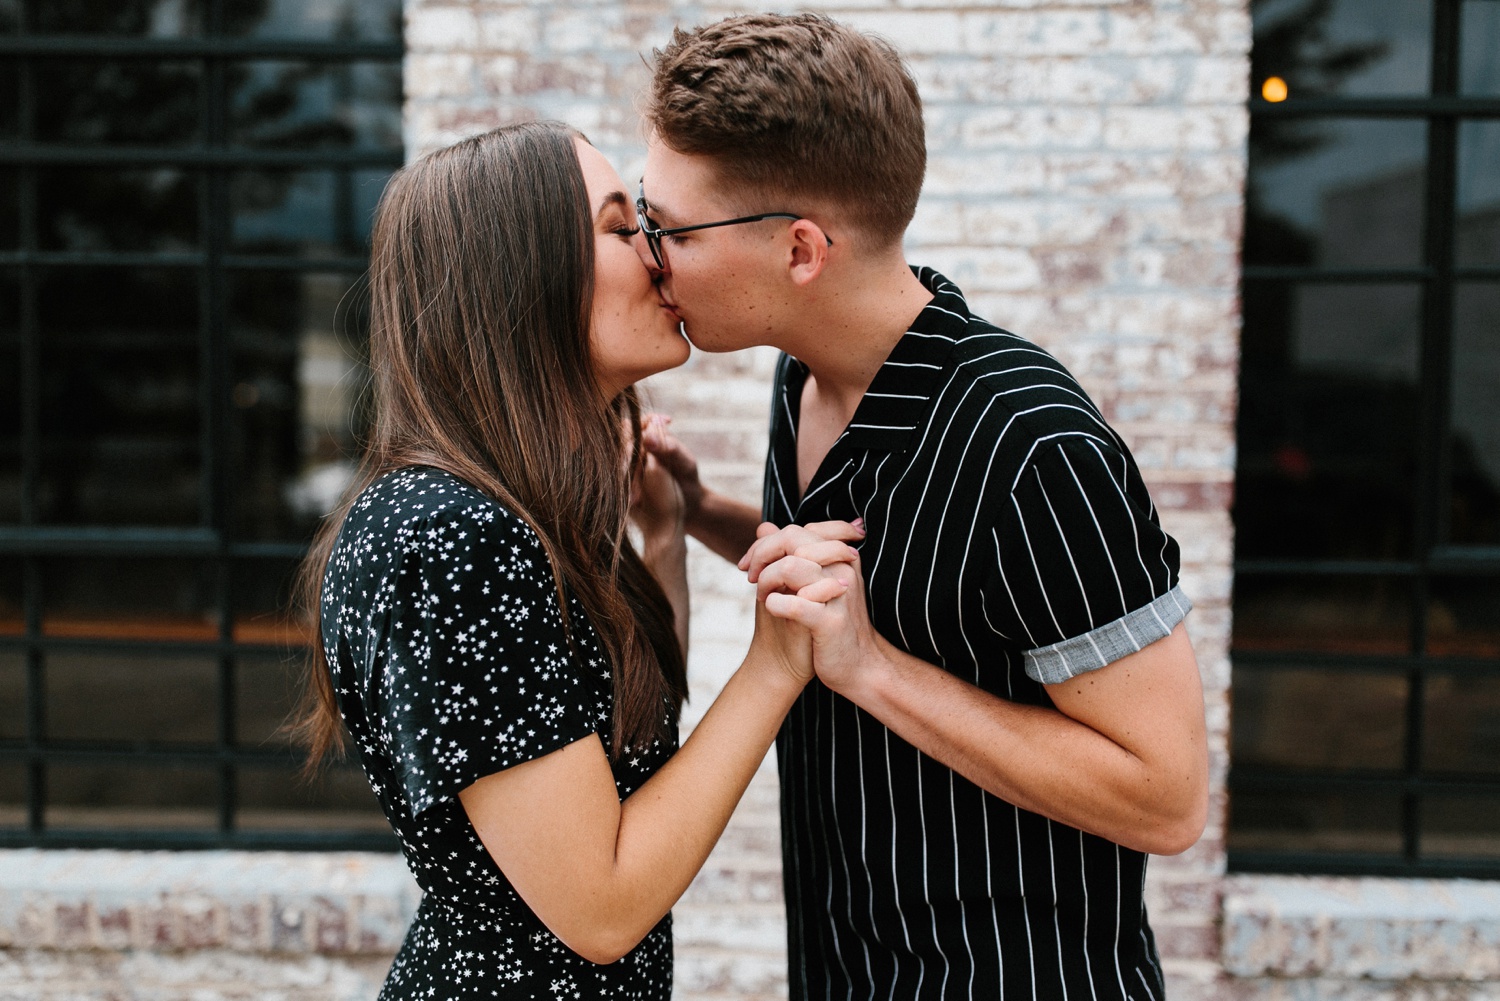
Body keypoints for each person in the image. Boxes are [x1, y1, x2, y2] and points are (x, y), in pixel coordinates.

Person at [636, 13, 1211, 1000]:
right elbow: (876, 580)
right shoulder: (803, 375)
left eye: (672, 230)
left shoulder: (1035, 444)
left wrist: (869, 667)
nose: (651, 256)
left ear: (802, 251)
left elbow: (1166, 796)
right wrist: (705, 510)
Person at [292, 121, 858, 1000]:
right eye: (619, 225)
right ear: (521, 277)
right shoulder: (448, 534)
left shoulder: (520, 517)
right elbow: (600, 907)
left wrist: (663, 538)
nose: (657, 251)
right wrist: (775, 664)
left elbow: (625, 760)